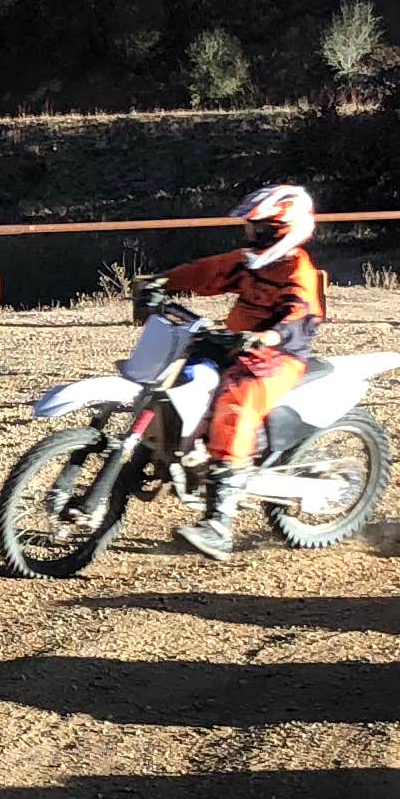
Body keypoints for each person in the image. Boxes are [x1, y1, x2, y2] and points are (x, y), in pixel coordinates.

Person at [159, 182, 326, 559]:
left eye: (259, 228)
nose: (250, 234)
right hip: (239, 342)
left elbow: (301, 313)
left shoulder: (299, 271)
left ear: (283, 230)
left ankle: (220, 523)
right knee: (181, 372)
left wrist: (269, 335)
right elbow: (208, 272)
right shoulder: (251, 261)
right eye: (251, 227)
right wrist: (162, 281)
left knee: (237, 399)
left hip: (278, 356)